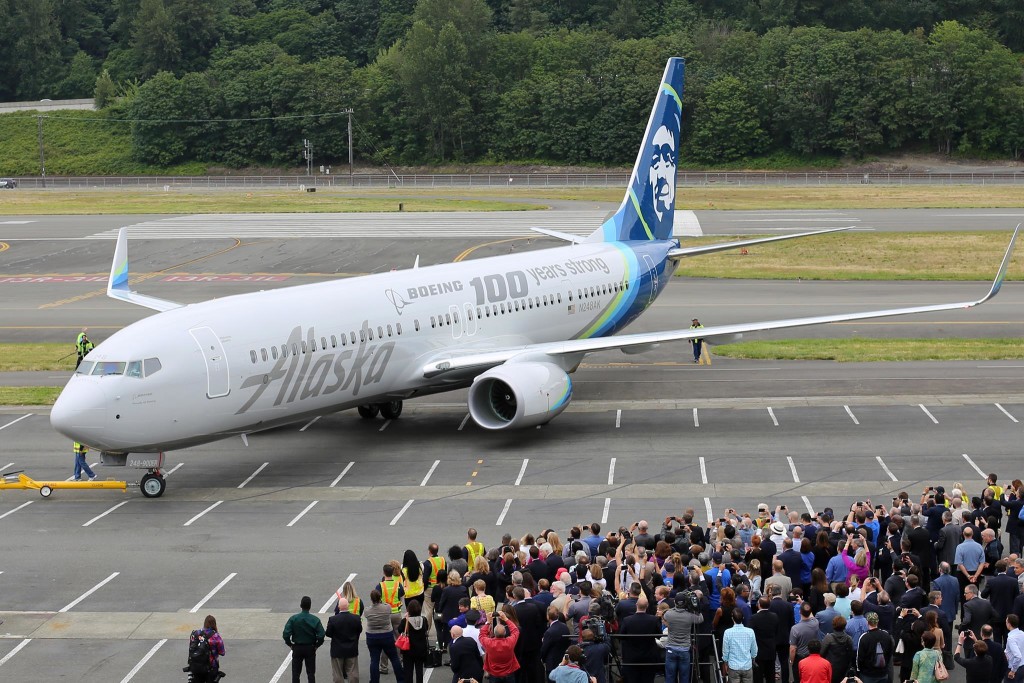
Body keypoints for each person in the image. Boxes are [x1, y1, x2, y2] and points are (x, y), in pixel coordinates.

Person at [664, 589, 705, 683]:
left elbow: (665, 616)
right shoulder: (690, 615)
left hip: (671, 649)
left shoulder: (668, 614)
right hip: (684, 650)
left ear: (674, 602)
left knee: (670, 677)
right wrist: (696, 607)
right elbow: (701, 619)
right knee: (684, 677)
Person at [365, 589, 405, 683]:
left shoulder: (367, 611)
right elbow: (387, 606)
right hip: (386, 635)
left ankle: (374, 681)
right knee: (394, 658)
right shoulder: (387, 608)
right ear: (380, 598)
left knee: (374, 660)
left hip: (372, 636)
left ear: (371, 599)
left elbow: (368, 610)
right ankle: (401, 679)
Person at [283, 596, 326, 683]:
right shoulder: (315, 620)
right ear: (310, 606)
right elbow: (321, 635)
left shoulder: (293, 619)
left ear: (300, 605)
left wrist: (290, 644)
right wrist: (317, 645)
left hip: (297, 648)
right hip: (310, 648)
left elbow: (286, 634)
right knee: (310, 673)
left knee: (295, 673)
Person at [326, 598, 362, 683]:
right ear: (348, 606)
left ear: (339, 607)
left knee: (338, 673)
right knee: (352, 672)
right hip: (352, 649)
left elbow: (328, 633)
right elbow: (359, 630)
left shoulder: (333, 619)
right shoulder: (356, 618)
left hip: (337, 650)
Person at [480, 609, 520, 683]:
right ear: (505, 633)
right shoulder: (510, 642)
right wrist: (506, 619)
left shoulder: (489, 642)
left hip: (494, 674)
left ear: (494, 633)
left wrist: (488, 622)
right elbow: (515, 630)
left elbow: (482, 634)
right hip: (509, 673)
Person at [854, 612, 893, 683]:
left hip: (867, 674)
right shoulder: (886, 635)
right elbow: (889, 653)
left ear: (867, 622)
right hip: (883, 673)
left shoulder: (864, 637)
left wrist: (859, 671)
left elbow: (859, 658)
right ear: (878, 621)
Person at [185, 614, 225, 682]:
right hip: (211, 667)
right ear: (214, 624)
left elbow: (191, 648)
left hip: (196, 666)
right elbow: (222, 652)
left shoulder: (195, 633)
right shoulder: (215, 636)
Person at [722, 607, 758, 683]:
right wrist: (752, 658)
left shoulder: (728, 632)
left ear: (732, 618)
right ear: (743, 618)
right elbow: (754, 649)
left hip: (733, 666)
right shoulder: (750, 631)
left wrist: (725, 662)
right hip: (747, 665)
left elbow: (725, 650)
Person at [399, 600, 430, 683]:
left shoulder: (405, 621)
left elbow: (399, 630)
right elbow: (426, 628)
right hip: (421, 649)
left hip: (408, 650)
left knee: (408, 671)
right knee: (419, 670)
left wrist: (405, 618)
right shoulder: (424, 620)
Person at [820, 617, 854, 683]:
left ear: (833, 625)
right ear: (844, 626)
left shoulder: (828, 638)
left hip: (831, 669)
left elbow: (821, 653)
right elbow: (851, 655)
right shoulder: (849, 639)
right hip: (844, 670)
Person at [1007, 614, 1024, 682]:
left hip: (1015, 668)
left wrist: (1013, 671)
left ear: (1009, 624)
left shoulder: (1011, 638)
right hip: (1022, 666)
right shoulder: (1022, 633)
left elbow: (1018, 656)